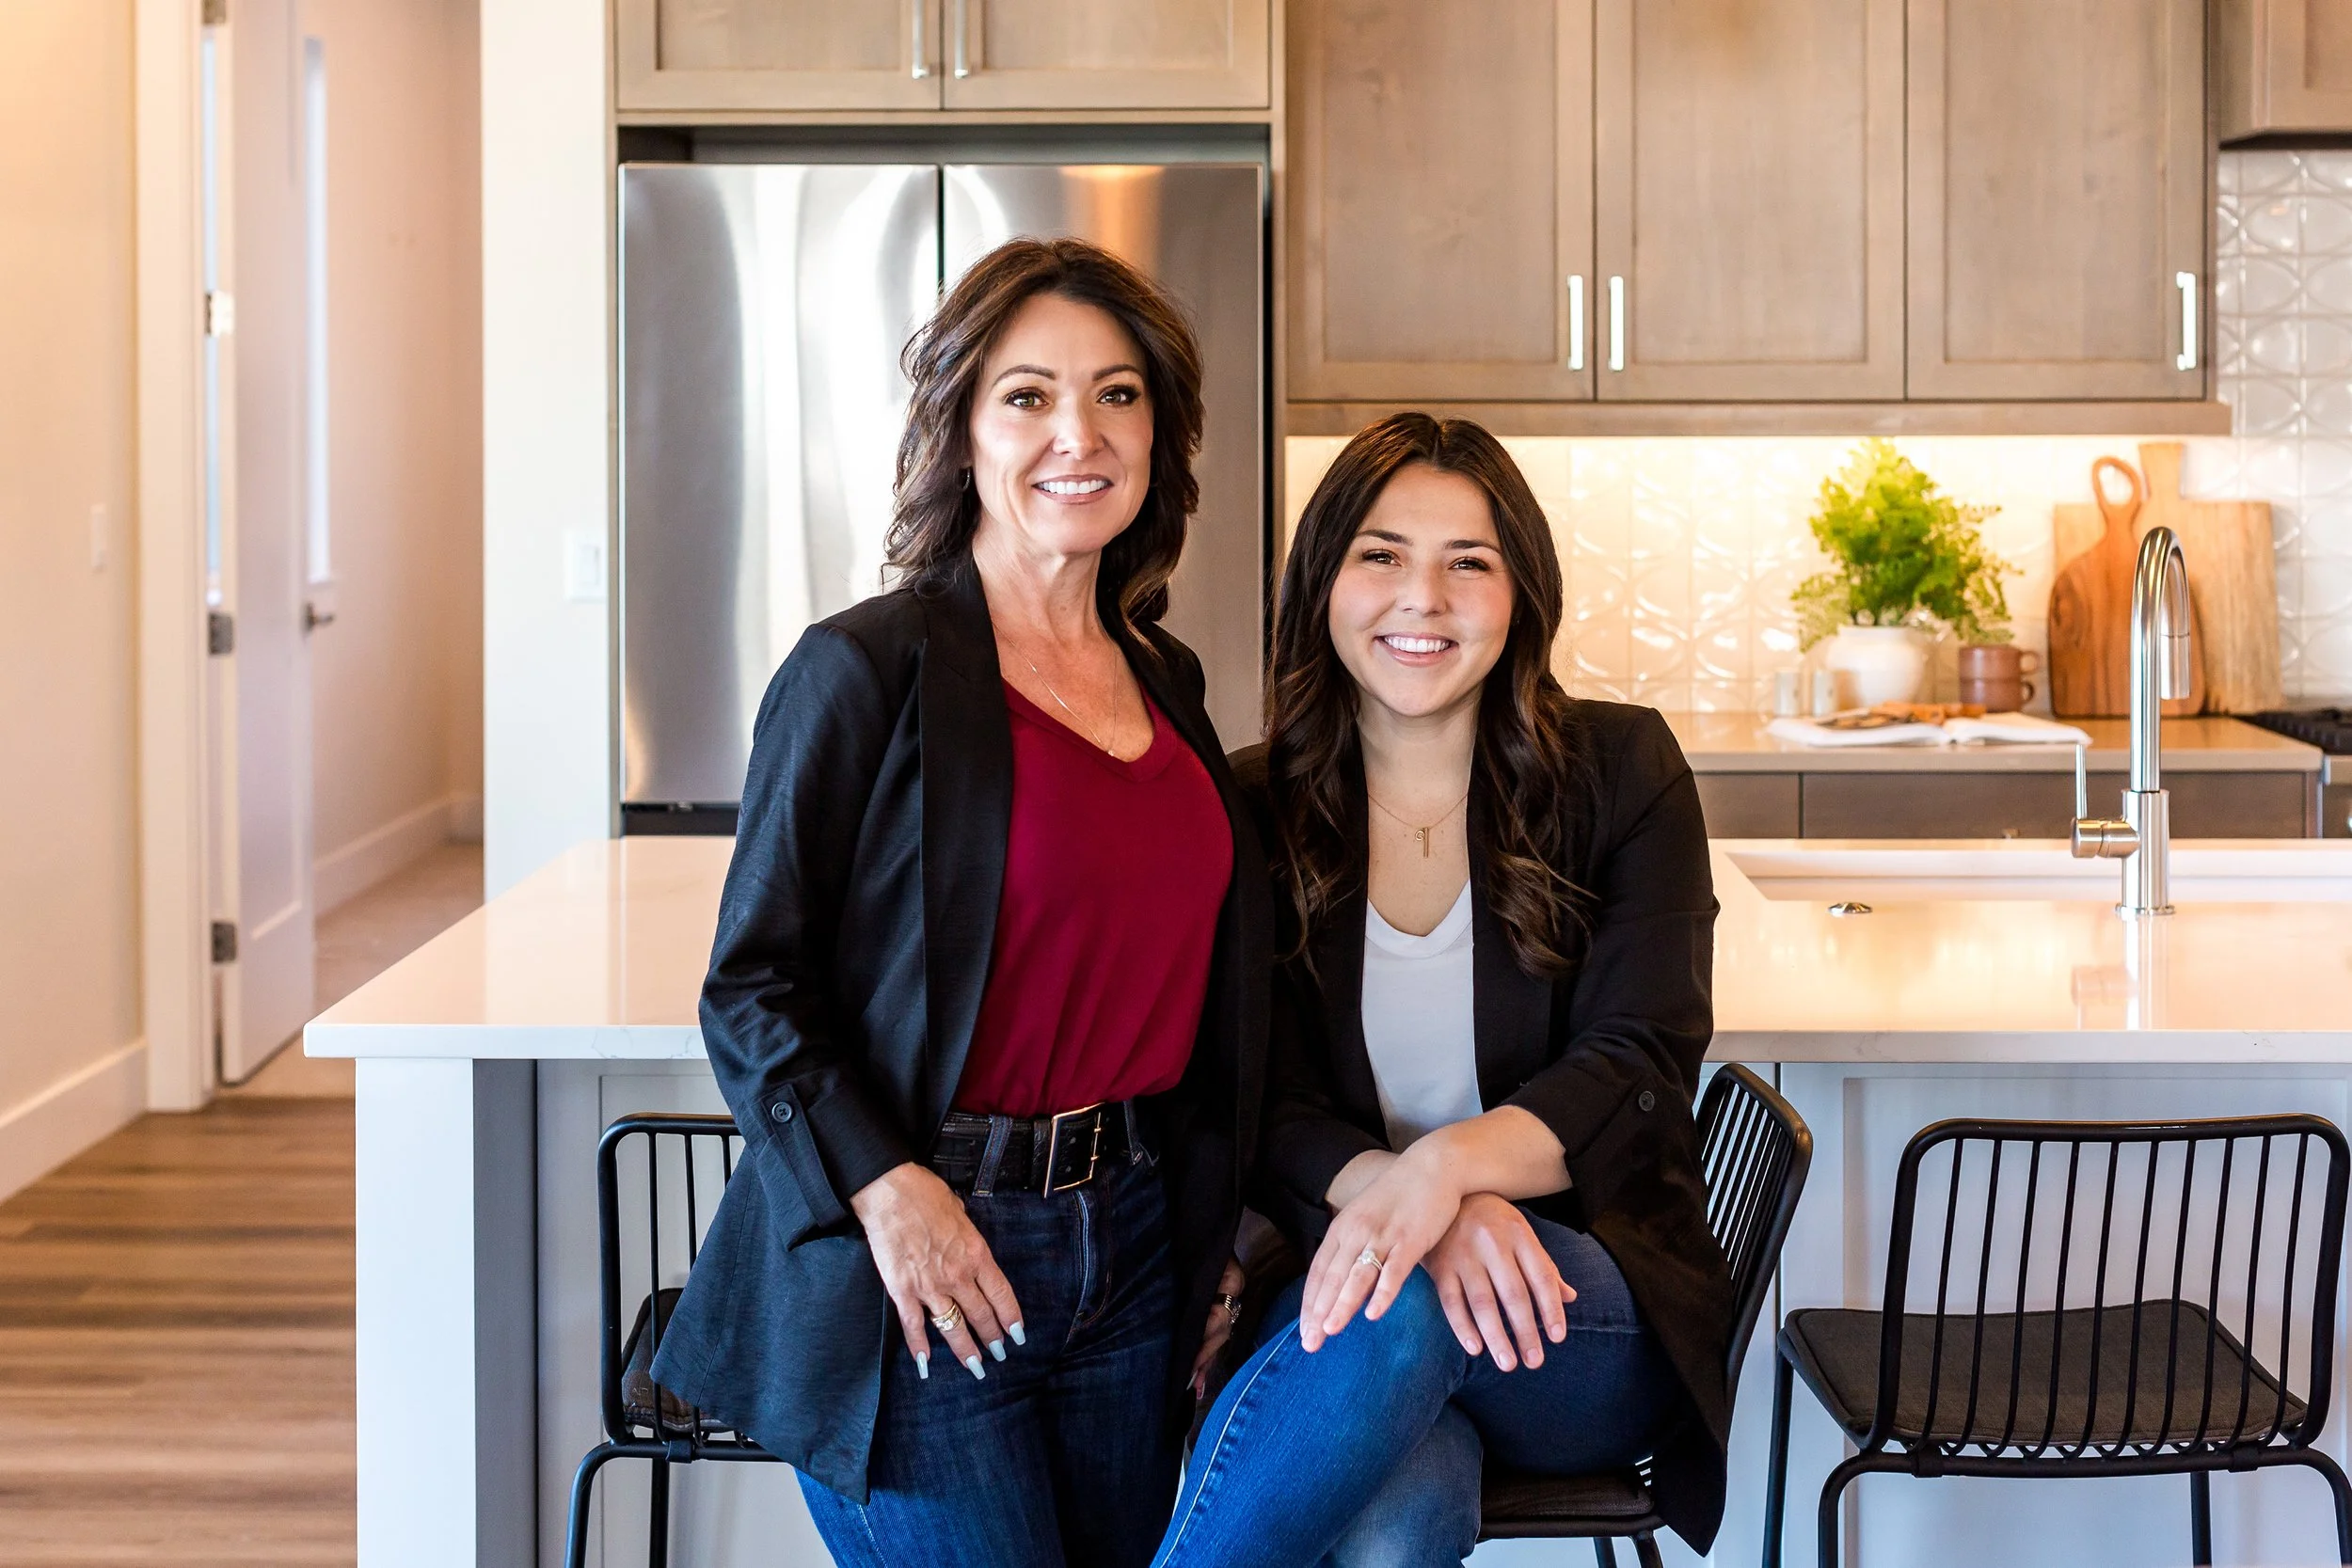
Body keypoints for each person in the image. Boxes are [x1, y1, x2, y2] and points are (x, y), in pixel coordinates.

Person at [649, 237, 1268, 1568]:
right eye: (1027, 394)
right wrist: (884, 1184)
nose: (1077, 433)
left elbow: (1203, 990)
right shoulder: (860, 670)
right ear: (964, 427)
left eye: (1117, 394)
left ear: (1159, 432)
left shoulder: (1169, 680)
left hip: (1134, 1243)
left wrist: (1217, 1231)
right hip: (927, 1255)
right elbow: (750, 986)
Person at [1153, 413, 1734, 1566]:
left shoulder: (1623, 773)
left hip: (1574, 1304)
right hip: (1347, 1305)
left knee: (1397, 1305)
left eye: (1468, 561)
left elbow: (1636, 1065)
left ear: (1521, 590)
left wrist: (1447, 1172)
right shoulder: (1246, 806)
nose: (1422, 597)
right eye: (1380, 554)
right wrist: (1412, 1204)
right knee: (1392, 1510)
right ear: (1322, 581)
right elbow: (1247, 1092)